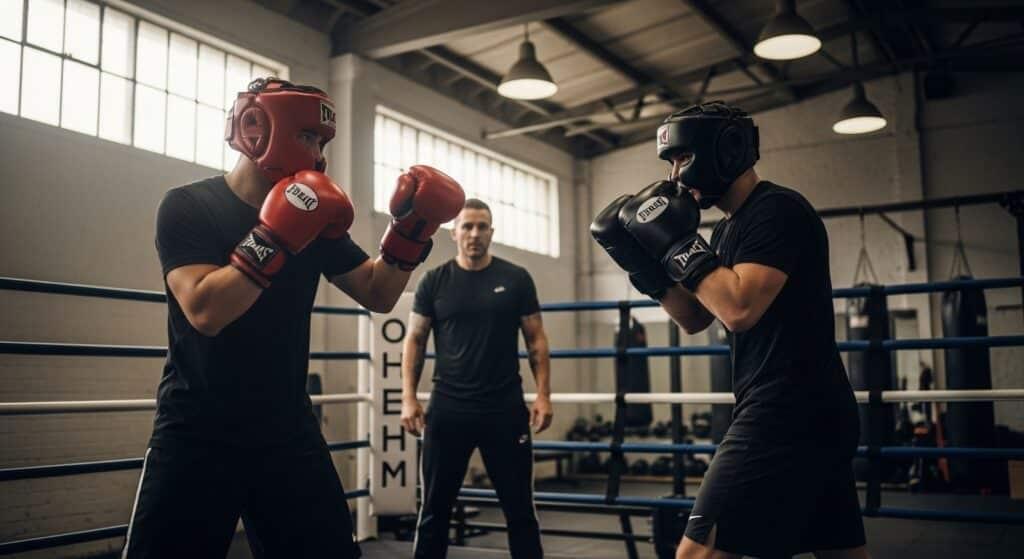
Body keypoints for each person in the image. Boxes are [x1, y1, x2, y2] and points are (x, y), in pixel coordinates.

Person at [123, 78, 465, 559]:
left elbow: (378, 291)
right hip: (197, 429)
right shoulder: (188, 206)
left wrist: (410, 230)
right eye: (308, 136)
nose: (318, 153)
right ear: (257, 127)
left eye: (323, 142)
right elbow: (205, 310)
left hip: (286, 430)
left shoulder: (317, 217)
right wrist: (279, 232)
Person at [591, 101, 869, 559]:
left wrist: (676, 242)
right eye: (670, 163)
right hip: (810, 412)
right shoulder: (725, 232)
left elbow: (739, 309)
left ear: (725, 150)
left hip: (785, 411)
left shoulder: (777, 211)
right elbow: (697, 317)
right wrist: (643, 263)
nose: (676, 175)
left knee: (696, 554)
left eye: (682, 158)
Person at [401, 198, 553, 559]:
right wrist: (408, 397)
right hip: (448, 410)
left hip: (504, 409)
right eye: (467, 226)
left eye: (482, 226)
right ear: (453, 233)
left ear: (491, 232)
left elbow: (536, 339)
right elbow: (415, 340)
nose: (474, 234)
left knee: (520, 512)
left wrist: (544, 395)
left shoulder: (515, 279)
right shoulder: (434, 281)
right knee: (434, 512)